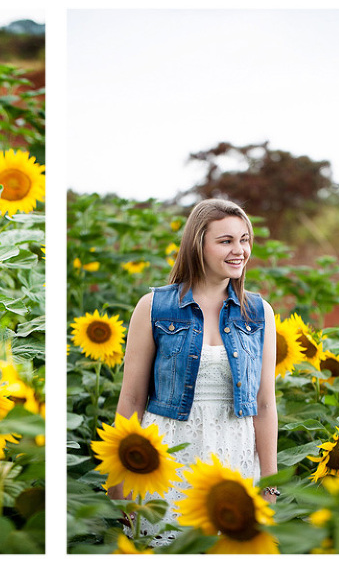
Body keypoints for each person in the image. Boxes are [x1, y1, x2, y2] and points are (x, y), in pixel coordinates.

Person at [109, 198, 278, 546]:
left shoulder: (259, 313)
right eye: (226, 241)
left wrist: (270, 481)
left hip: (236, 456)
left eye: (244, 239)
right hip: (168, 455)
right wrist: (119, 476)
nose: (239, 250)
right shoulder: (154, 307)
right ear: (197, 245)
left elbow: (264, 403)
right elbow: (133, 397)